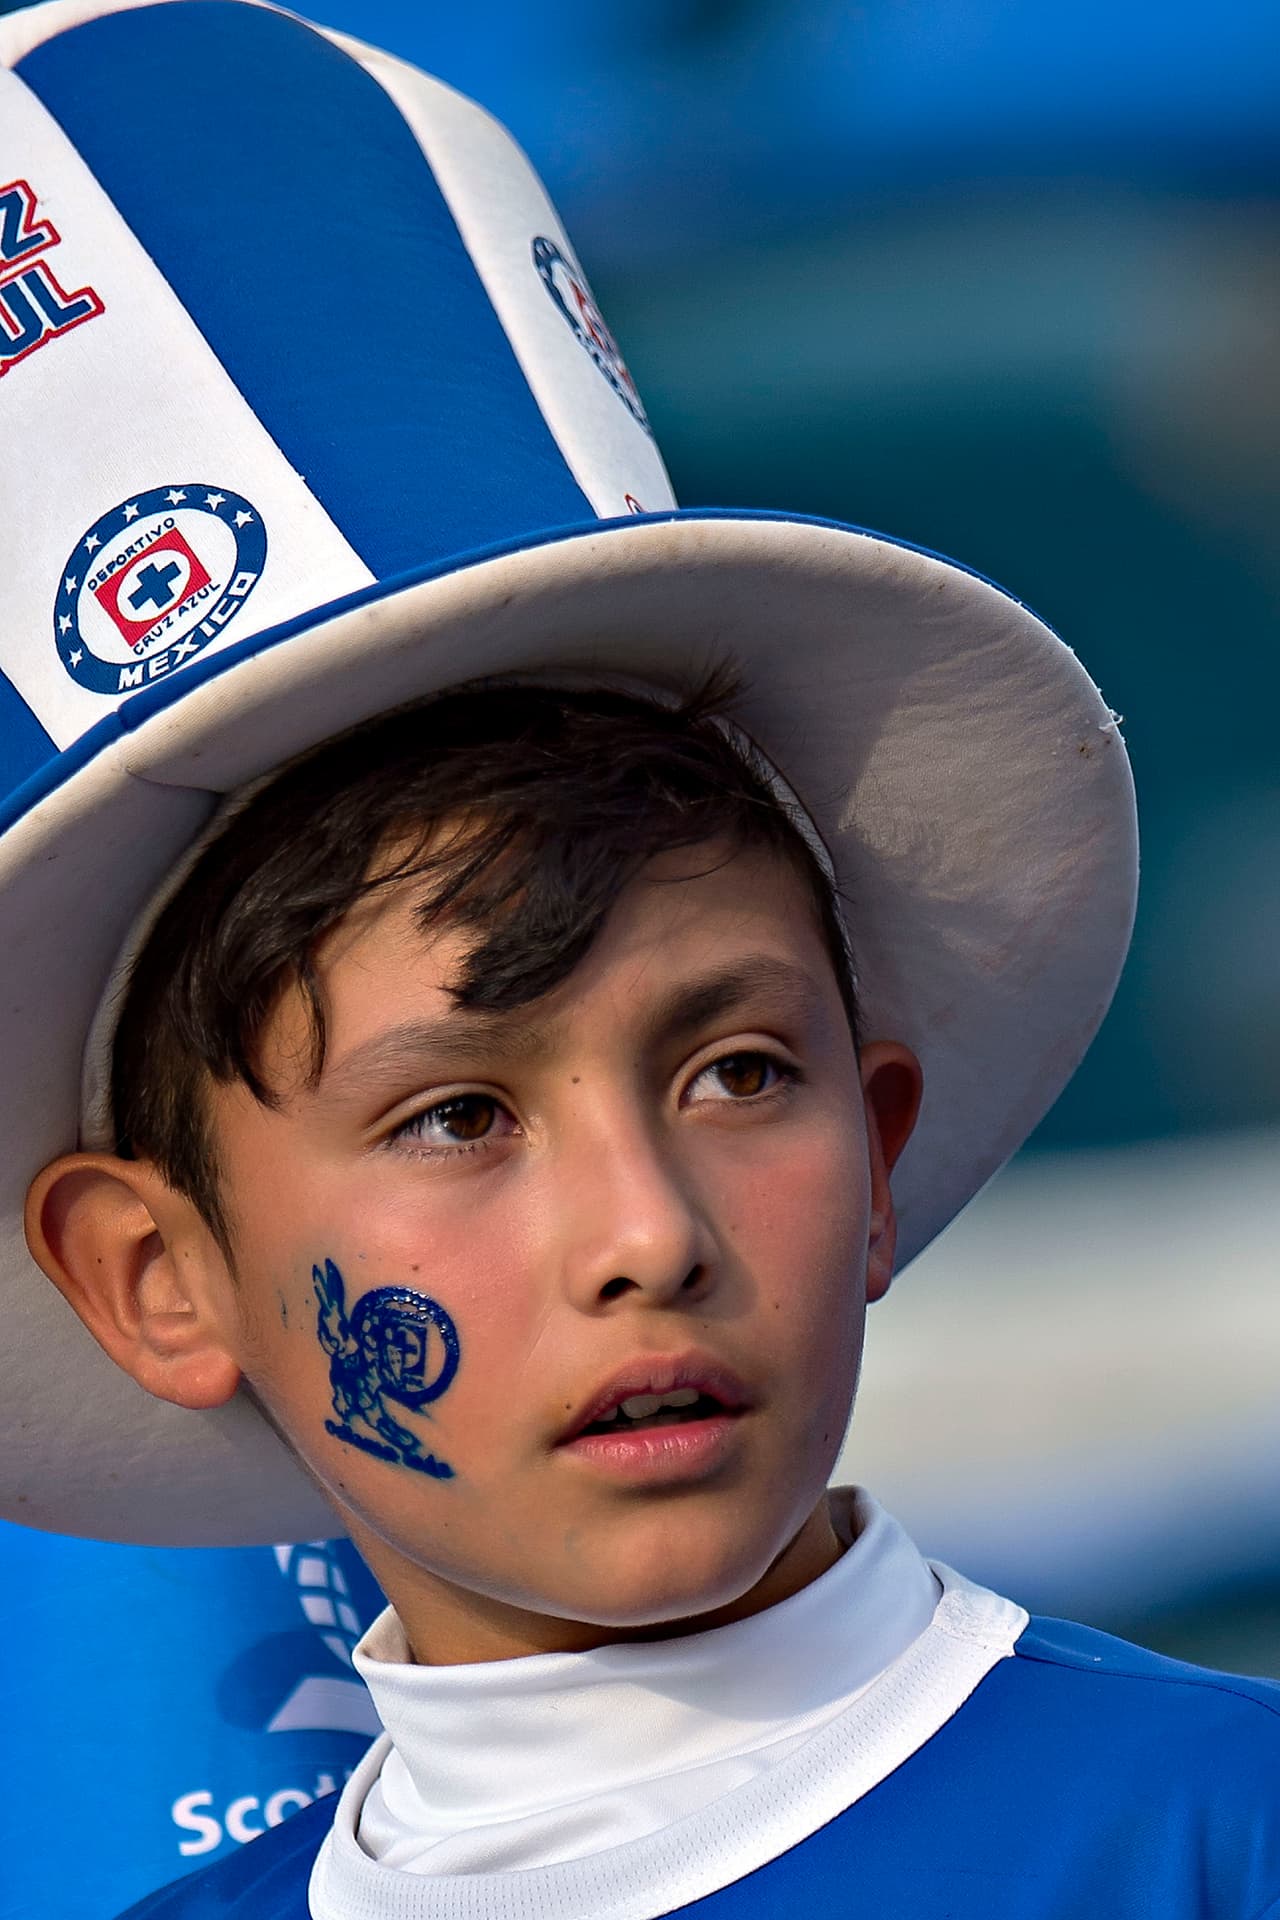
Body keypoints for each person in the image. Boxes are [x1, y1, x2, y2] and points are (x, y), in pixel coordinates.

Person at [3, 3, 1278, 1918]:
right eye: (454, 1115)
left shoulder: (1214, 1840)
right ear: (161, 1277)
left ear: (881, 1143)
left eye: (740, 1072)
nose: (647, 1231)